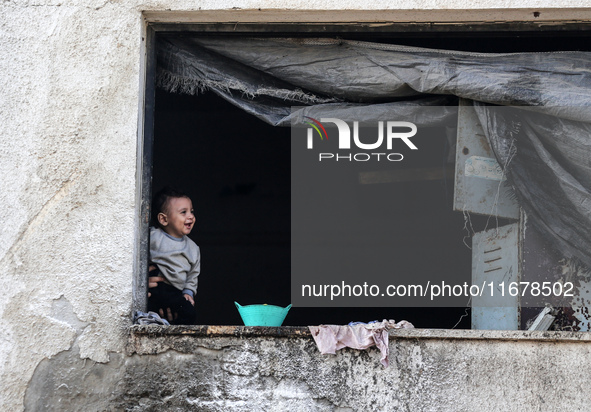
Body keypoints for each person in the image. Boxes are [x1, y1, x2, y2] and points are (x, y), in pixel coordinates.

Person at [148, 187, 200, 325]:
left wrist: (188, 292)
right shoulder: (153, 237)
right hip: (156, 287)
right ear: (163, 219)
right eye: (183, 212)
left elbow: (193, 274)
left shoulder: (193, 248)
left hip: (175, 292)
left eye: (191, 211)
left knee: (188, 313)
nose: (191, 216)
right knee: (149, 311)